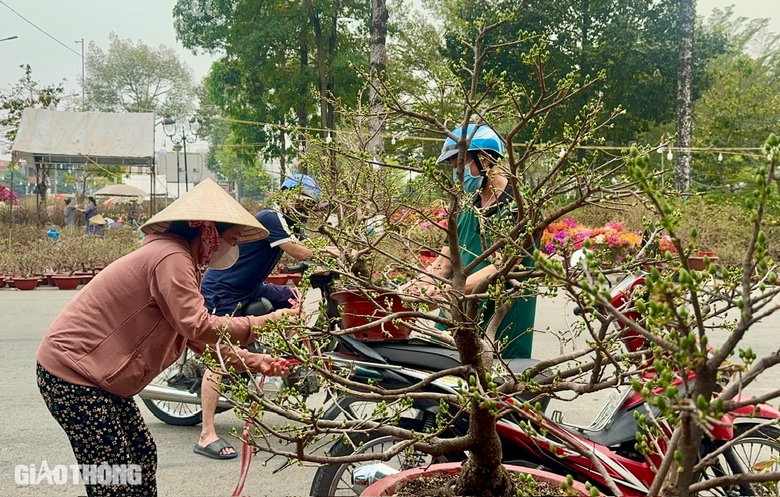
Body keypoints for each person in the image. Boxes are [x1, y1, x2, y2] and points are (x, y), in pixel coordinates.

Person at [36, 178, 302, 497]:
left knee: (141, 457)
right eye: (231, 240)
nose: (233, 249)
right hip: (73, 376)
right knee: (116, 477)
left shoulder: (180, 262)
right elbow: (199, 326)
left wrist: (259, 363)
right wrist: (266, 322)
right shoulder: (171, 258)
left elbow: (200, 342)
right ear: (206, 230)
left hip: (97, 379)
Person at [196, 173, 338, 459]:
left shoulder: (293, 223)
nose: (306, 209)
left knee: (294, 302)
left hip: (250, 287)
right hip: (223, 290)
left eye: (310, 205)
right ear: (286, 197)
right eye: (302, 202)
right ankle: (206, 433)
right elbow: (300, 253)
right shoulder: (271, 217)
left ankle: (285, 363)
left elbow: (310, 259)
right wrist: (331, 251)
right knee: (219, 358)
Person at [408, 124, 536, 359]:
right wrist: (416, 286)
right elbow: (446, 260)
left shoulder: (521, 207)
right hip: (460, 317)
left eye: (459, 163)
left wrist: (445, 292)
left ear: (485, 159)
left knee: (494, 386)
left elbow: (502, 266)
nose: (456, 171)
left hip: (501, 325)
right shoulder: (466, 205)